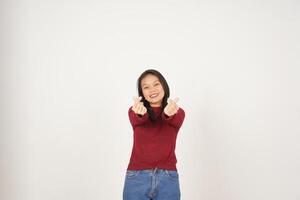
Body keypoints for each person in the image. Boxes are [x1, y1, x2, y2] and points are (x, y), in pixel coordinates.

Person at [123, 69, 185, 200]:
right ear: (142, 93)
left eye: (156, 84)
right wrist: (140, 112)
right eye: (146, 87)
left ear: (164, 85)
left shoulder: (177, 112)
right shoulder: (135, 111)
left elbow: (172, 117)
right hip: (136, 178)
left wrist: (169, 113)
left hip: (168, 179)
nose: (152, 89)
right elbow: (139, 117)